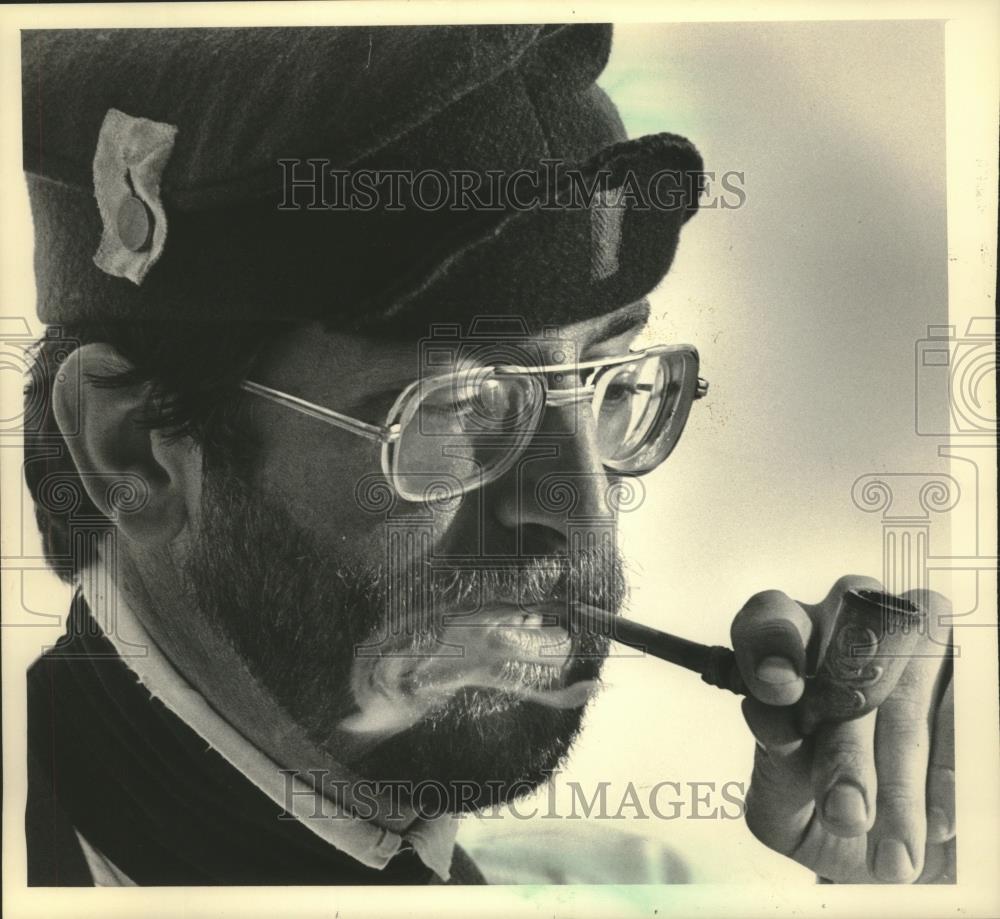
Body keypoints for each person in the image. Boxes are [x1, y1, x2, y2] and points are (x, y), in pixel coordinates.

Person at [20, 23, 954, 886]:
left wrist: (904, 879)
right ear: (132, 447)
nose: (584, 513)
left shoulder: (623, 885)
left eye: (611, 377)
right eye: (463, 402)